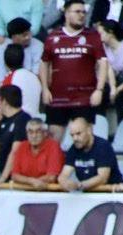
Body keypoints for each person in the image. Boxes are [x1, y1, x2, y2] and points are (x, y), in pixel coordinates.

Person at [40, 0, 106, 140]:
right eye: (77, 12)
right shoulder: (53, 37)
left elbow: (103, 63)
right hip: (58, 98)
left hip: (84, 98)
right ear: (66, 13)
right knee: (53, 143)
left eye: (83, 12)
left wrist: (99, 90)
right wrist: (45, 89)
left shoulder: (93, 36)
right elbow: (44, 63)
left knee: (84, 140)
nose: (81, 15)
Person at [60, 114, 122, 189]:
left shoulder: (103, 146)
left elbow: (103, 178)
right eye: (72, 135)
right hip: (86, 193)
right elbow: (63, 175)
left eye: (78, 134)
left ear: (89, 130)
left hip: (110, 193)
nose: (75, 138)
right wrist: (65, 183)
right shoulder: (73, 149)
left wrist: (80, 185)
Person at [0, 84, 30, 181]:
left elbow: (15, 151)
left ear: (4, 101)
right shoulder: (2, 120)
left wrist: (2, 179)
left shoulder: (23, 119)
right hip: (3, 176)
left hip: (17, 179)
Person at [0, 116, 63, 187]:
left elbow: (52, 177)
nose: (34, 136)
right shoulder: (22, 146)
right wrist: (31, 181)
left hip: (48, 192)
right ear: (26, 134)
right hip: (26, 191)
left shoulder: (53, 146)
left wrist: (30, 181)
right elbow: (14, 175)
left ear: (45, 133)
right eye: (30, 132)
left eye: (38, 132)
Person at [98, 18, 123, 107]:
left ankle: (122, 120)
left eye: (101, 33)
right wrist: (113, 87)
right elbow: (109, 69)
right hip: (114, 79)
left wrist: (118, 89)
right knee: (102, 92)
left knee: (121, 96)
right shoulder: (104, 48)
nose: (99, 36)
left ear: (110, 32)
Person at [1, 41, 42, 116]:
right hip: (35, 120)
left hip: (19, 122)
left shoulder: (9, 79)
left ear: (5, 63)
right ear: (23, 60)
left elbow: (2, 111)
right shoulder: (34, 77)